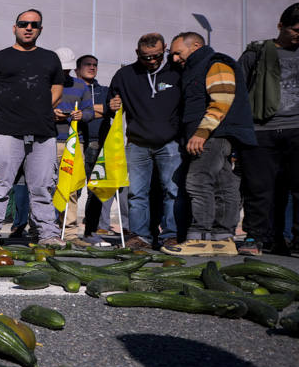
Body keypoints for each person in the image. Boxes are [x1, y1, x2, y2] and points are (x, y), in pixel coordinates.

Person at [0, 9, 66, 246]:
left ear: (40, 30)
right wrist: (0, 124)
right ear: (14, 28)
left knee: (42, 187)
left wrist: (39, 112)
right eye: (23, 24)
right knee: (0, 185)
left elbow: (57, 91)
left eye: (34, 25)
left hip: (43, 134)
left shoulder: (50, 58)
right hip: (7, 134)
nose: (28, 28)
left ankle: (47, 234)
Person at [163, 32, 255, 256]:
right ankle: (222, 240)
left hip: (212, 136)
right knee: (224, 185)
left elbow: (222, 100)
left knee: (198, 181)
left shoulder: (215, 63)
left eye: (178, 53)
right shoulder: (196, 67)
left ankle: (199, 238)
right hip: (214, 135)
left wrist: (201, 133)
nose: (174, 58)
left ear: (195, 46)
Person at [107, 33, 182, 250]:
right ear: (137, 53)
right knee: (136, 193)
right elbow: (111, 101)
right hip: (137, 143)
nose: (151, 61)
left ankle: (171, 235)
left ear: (165, 49)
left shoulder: (177, 72)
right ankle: (140, 236)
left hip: (170, 142)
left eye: (156, 56)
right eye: (145, 57)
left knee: (172, 190)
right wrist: (112, 104)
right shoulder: (125, 75)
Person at [236, 2, 299, 256]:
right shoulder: (256, 53)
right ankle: (255, 238)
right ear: (280, 26)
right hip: (261, 130)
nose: (298, 35)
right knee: (259, 189)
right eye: (295, 30)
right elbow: (238, 91)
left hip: (296, 129)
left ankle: (292, 239)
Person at [72, 54, 112, 243]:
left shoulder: (104, 90)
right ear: (77, 69)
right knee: (73, 189)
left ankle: (90, 231)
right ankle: (66, 230)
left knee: (96, 189)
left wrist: (87, 110)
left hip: (100, 144)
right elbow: (71, 109)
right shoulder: (72, 89)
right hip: (77, 142)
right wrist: (97, 109)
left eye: (95, 64)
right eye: (87, 64)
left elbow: (111, 109)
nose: (92, 67)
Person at [52, 47, 89, 240]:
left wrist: (82, 115)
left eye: (68, 69)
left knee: (71, 188)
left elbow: (90, 111)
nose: (65, 73)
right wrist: (50, 114)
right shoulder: (44, 83)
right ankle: (44, 229)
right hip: (48, 141)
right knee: (44, 186)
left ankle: (70, 231)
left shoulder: (81, 85)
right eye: (62, 69)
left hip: (74, 142)